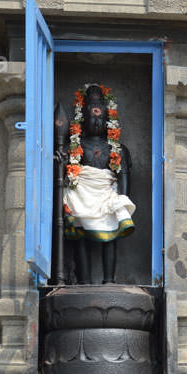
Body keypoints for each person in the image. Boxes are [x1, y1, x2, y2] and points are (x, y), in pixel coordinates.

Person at [62, 84, 134, 284]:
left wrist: (123, 199)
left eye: (101, 118)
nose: (96, 121)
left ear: (108, 121)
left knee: (110, 235)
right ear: (81, 120)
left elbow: (124, 176)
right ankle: (84, 280)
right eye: (92, 117)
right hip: (80, 195)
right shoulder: (73, 146)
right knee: (80, 237)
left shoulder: (119, 149)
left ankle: (109, 279)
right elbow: (61, 174)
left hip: (106, 195)